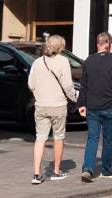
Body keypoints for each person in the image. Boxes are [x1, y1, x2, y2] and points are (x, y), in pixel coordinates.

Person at [78, 32, 112, 182]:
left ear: (97, 44)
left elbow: (84, 86)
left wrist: (82, 104)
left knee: (92, 138)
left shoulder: (88, 61)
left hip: (92, 107)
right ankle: (106, 170)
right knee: (108, 139)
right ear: (109, 44)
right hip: (110, 107)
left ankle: (88, 168)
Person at [26, 34, 77, 185]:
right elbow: (68, 85)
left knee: (40, 138)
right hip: (58, 105)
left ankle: (36, 174)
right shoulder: (64, 61)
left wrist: (39, 95)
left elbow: (30, 84)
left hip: (41, 105)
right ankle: (56, 171)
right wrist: (74, 97)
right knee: (58, 138)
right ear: (61, 47)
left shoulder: (37, 62)